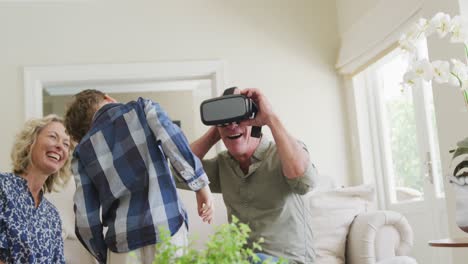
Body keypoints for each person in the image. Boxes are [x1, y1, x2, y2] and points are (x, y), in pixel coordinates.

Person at [64, 89, 213, 264]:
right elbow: (174, 142)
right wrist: (200, 185)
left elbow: (85, 219)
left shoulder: (82, 153)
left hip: (121, 244)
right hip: (165, 228)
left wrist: (103, 255)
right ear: (108, 98)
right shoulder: (142, 109)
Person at [178, 88, 318, 264]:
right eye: (225, 122)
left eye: (239, 119)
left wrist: (271, 118)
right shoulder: (223, 165)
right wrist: (217, 131)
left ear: (256, 121)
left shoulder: (284, 153)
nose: (232, 126)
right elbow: (177, 172)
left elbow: (305, 182)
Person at [0, 114, 72, 264]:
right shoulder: (3, 187)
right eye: (53, 136)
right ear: (29, 143)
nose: (60, 146)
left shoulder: (52, 216)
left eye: (66, 144)